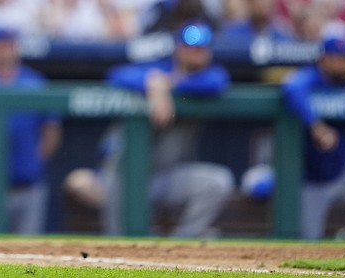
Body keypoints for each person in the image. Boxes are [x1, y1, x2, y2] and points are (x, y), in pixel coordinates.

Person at [64, 21, 235, 237]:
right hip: (125, 177)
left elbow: (217, 83)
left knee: (218, 182)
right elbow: (116, 75)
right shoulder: (156, 69)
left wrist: (166, 86)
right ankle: (119, 250)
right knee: (94, 182)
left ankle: (180, 247)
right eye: (190, 47)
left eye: (201, 48)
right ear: (178, 48)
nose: (195, 53)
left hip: (165, 178)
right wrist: (151, 82)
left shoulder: (208, 76)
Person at [0, 28, 63, 234]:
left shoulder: (35, 83)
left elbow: (51, 129)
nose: (4, 52)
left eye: (9, 46)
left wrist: (34, 162)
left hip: (29, 184)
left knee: (28, 250)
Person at [279, 34, 345, 239]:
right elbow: (292, 87)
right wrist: (316, 125)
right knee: (308, 241)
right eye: (337, 58)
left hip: (344, 172)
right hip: (312, 179)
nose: (343, 64)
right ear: (323, 60)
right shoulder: (310, 79)